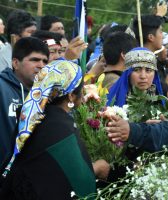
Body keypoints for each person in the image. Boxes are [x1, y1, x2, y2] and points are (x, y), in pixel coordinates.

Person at [0, 60, 96, 199]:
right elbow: (81, 183)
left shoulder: (31, 118)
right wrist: (96, 168)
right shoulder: (62, 131)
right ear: (71, 95)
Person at [0, 37, 49, 174]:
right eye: (34, 60)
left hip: (29, 178)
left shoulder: (47, 97)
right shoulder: (1, 88)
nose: (41, 65)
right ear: (15, 63)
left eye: (45, 61)